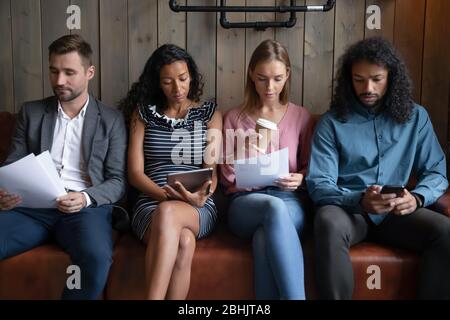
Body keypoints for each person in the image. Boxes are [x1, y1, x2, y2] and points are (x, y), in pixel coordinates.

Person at [306, 37, 450, 300]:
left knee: (446, 232)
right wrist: (360, 200)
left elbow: (437, 172)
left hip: (398, 213)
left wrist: (417, 198)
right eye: (358, 79)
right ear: (349, 80)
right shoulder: (331, 123)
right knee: (327, 220)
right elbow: (319, 184)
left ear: (391, 78)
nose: (367, 87)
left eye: (376, 79)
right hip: (349, 212)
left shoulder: (416, 117)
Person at [0, 34, 127, 299]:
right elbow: (13, 163)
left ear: (89, 72)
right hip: (31, 208)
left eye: (69, 73)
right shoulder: (31, 112)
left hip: (84, 209)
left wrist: (85, 197)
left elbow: (117, 180)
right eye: (54, 71)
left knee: (96, 257)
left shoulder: (112, 120)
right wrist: (6, 192)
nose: (59, 81)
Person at [120, 44, 222, 300]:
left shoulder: (211, 115)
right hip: (150, 202)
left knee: (170, 214)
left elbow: (212, 172)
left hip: (196, 206)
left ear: (192, 77)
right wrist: (167, 196)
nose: (177, 89)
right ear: (157, 83)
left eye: (183, 79)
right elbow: (135, 173)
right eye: (168, 82)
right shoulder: (142, 114)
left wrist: (200, 196)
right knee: (184, 242)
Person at [220, 39, 314, 299]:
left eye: (277, 78)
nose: (270, 87)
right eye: (262, 78)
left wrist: (300, 179)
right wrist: (242, 151)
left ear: (288, 75)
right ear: (251, 74)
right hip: (244, 203)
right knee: (272, 209)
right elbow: (227, 177)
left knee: (264, 238)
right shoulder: (234, 118)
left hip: (289, 199)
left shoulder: (301, 116)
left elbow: (309, 168)